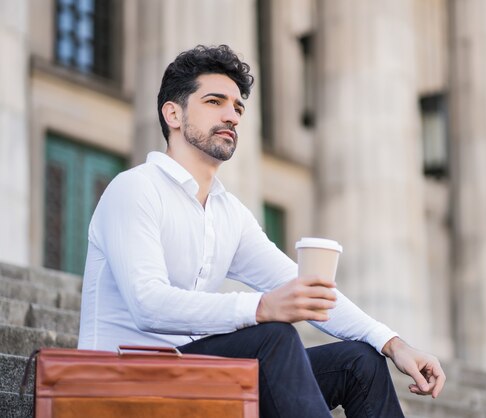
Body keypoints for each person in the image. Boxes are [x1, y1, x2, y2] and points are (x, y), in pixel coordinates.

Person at [78, 44, 445, 417]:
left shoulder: (229, 214)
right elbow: (148, 304)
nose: (231, 116)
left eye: (237, 107)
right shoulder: (135, 188)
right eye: (214, 102)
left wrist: (392, 342)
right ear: (173, 113)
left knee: (359, 362)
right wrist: (261, 306)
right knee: (273, 336)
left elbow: (309, 291)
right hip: (120, 381)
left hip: (191, 378)